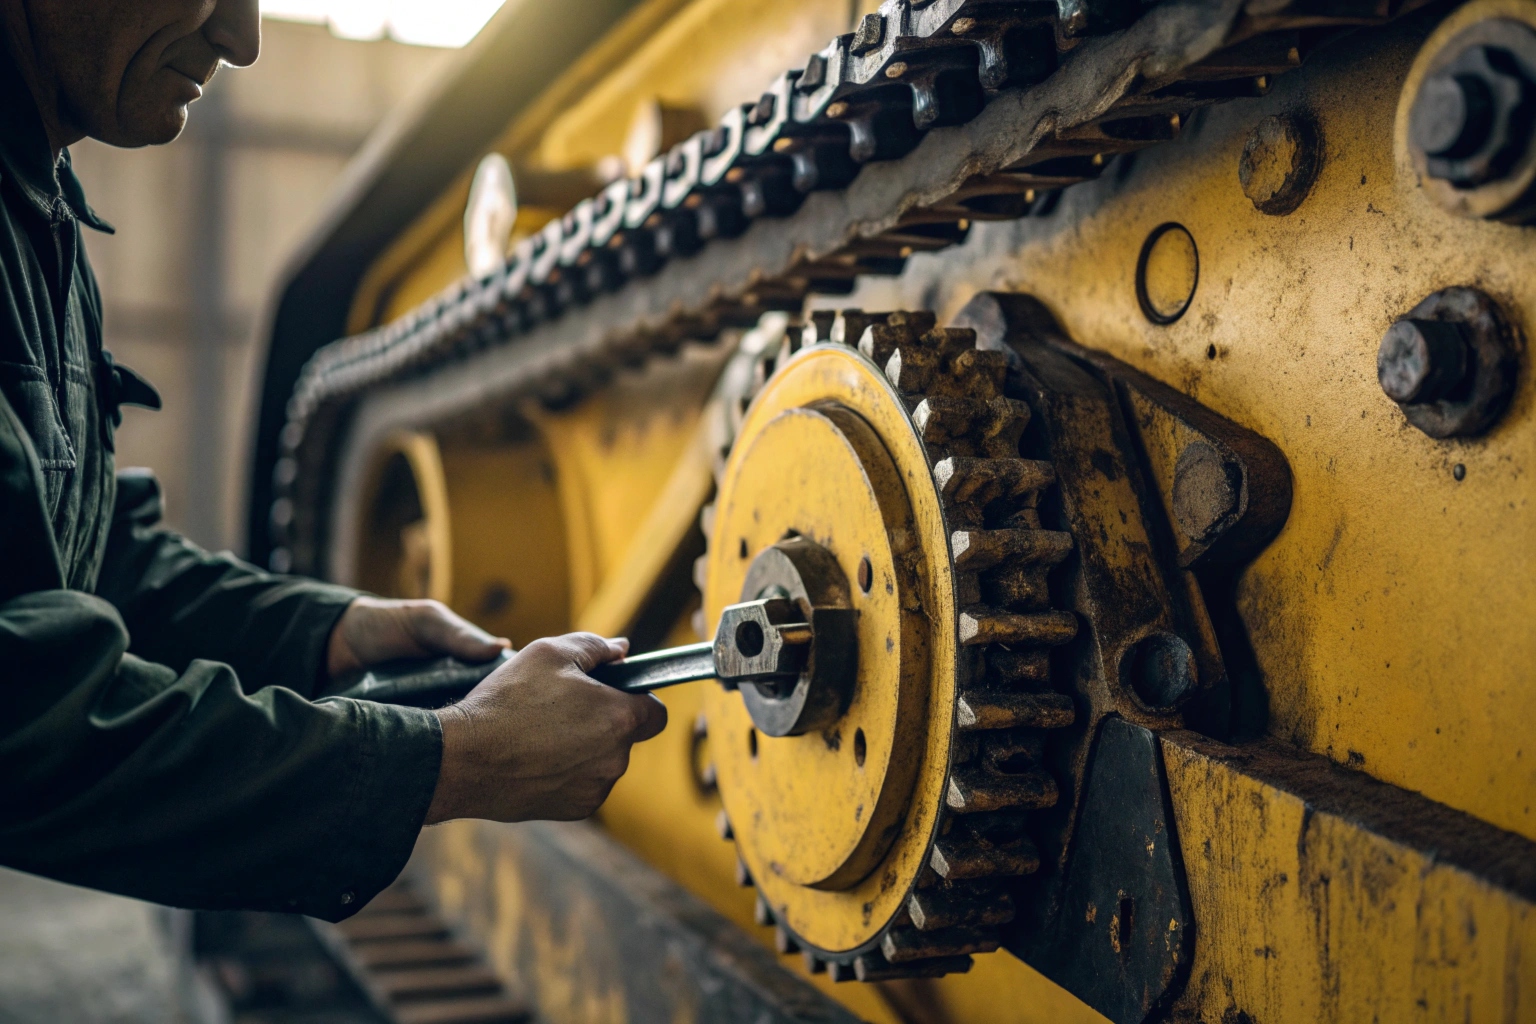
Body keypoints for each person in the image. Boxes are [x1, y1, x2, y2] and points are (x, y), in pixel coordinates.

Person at [0, 0, 667, 919]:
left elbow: (84, 552)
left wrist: (328, 630)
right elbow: (18, 710)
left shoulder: (34, 190)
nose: (243, 39)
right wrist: (452, 759)